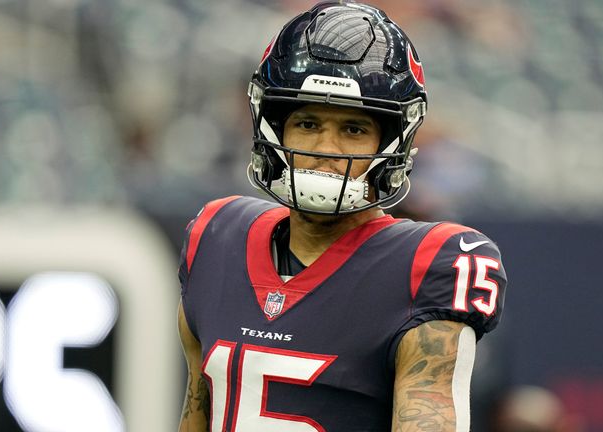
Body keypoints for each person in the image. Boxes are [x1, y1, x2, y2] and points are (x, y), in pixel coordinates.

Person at [177, 2, 507, 430]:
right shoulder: (215, 237)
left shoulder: (427, 266)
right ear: (273, 129)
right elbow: (196, 413)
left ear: (392, 143)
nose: (325, 151)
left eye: (352, 129)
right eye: (308, 123)